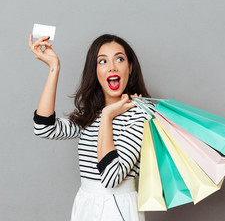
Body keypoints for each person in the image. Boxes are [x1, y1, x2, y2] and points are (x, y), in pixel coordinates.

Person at [28, 33, 153, 221]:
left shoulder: (141, 113)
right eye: (102, 61)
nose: (112, 67)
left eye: (119, 59)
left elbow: (111, 176)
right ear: (95, 71)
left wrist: (108, 116)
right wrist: (54, 68)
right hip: (85, 205)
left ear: (130, 67)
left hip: (118, 207)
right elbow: (44, 127)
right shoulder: (92, 114)